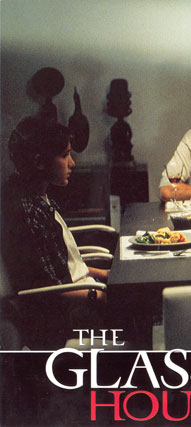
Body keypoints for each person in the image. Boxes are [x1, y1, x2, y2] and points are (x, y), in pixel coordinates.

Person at [2, 116, 108, 347]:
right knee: (139, 307)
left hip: (77, 297)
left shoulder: (38, 198)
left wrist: (102, 274)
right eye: (65, 155)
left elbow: (60, 265)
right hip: (63, 318)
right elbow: (43, 288)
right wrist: (97, 294)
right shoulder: (28, 212)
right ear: (40, 162)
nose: (72, 163)